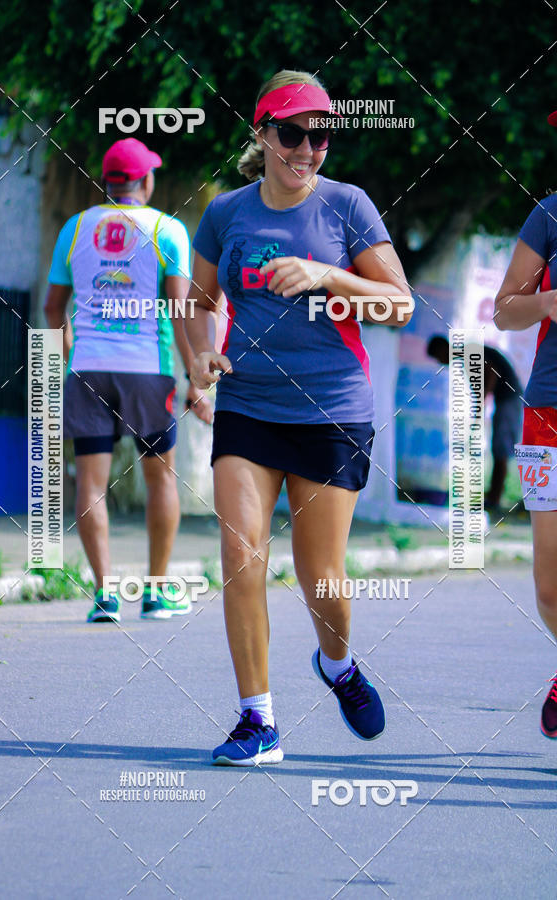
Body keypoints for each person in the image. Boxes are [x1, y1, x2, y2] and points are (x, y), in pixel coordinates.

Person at [185, 70, 412, 765]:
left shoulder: (348, 207)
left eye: (321, 135)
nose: (308, 148)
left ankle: (337, 665)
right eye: (293, 133)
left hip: (333, 412)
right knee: (241, 553)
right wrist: (199, 358)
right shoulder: (226, 214)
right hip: (250, 407)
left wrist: (328, 277)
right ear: (262, 133)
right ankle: (258, 721)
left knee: (325, 583)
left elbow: (398, 304)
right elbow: (197, 303)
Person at [44, 137, 211, 623]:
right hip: (148, 373)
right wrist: (193, 378)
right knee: (160, 478)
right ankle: (157, 592)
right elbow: (180, 311)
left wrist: (72, 348)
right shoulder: (168, 229)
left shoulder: (75, 229)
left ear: (108, 183)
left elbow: (55, 307)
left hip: (89, 370)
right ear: (147, 181)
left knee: (90, 484)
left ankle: (104, 595)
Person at [494, 108, 557, 740]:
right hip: (548, 410)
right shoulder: (549, 214)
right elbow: (505, 311)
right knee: (548, 584)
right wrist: (549, 301)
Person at [427, 335, 523, 508]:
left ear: (443, 349)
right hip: (504, 399)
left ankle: (495, 499)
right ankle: (494, 495)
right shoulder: (465, 356)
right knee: (498, 448)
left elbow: (489, 373)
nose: (440, 362)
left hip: (510, 398)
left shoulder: (467, 353)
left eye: (438, 357)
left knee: (501, 448)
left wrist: (480, 407)